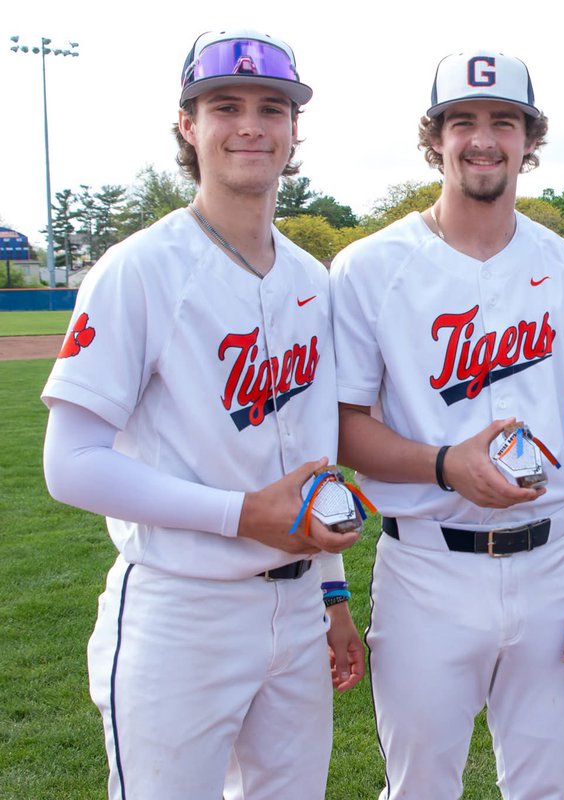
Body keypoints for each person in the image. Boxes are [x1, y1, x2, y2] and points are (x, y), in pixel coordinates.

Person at [41, 29, 363, 799]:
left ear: (293, 131)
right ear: (189, 125)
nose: (250, 125)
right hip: (181, 611)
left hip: (296, 609)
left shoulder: (313, 278)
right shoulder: (139, 269)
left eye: (271, 108)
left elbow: (313, 465)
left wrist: (333, 592)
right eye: (226, 105)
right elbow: (70, 462)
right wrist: (240, 513)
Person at [330, 49, 564, 799]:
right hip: (426, 566)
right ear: (433, 139)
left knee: (546, 790)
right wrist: (441, 464)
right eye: (462, 122)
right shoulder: (369, 267)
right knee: (421, 788)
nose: (483, 139)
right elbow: (341, 429)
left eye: (504, 121)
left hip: (554, 567)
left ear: (530, 139)